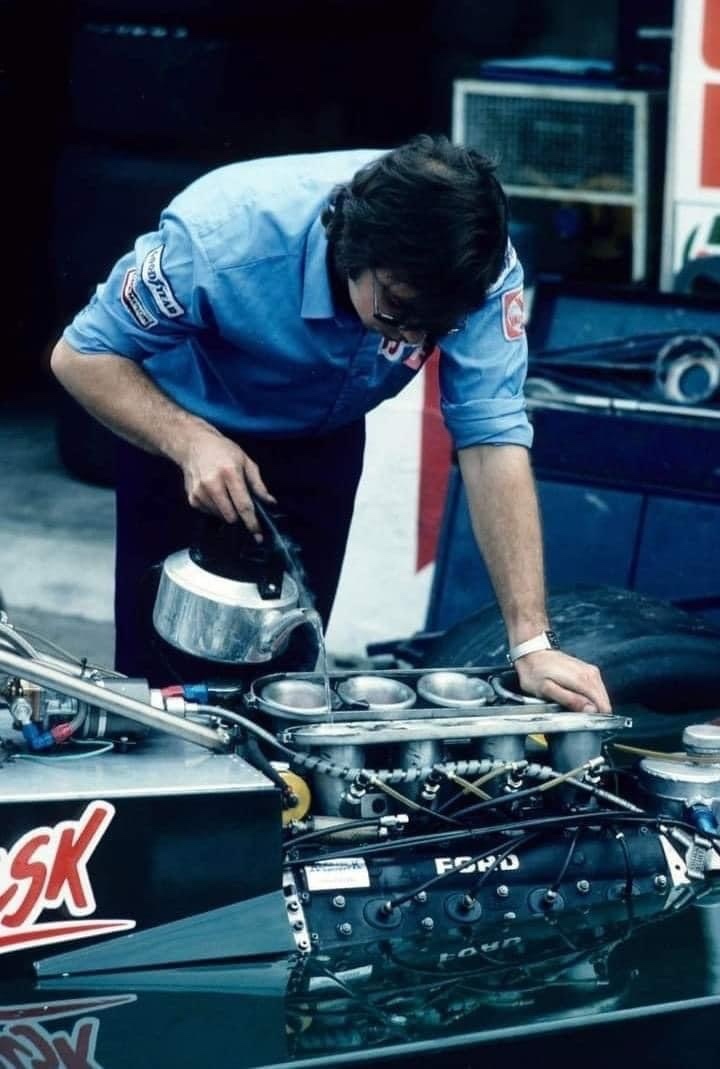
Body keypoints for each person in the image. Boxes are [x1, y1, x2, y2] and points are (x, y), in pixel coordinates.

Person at [51, 134, 610, 712]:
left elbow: (493, 441)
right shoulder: (223, 239)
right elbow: (81, 355)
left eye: (436, 325)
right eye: (399, 309)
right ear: (352, 249)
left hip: (324, 442)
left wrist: (531, 643)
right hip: (183, 438)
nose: (414, 337)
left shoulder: (478, 270)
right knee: (158, 693)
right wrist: (189, 441)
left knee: (288, 687)